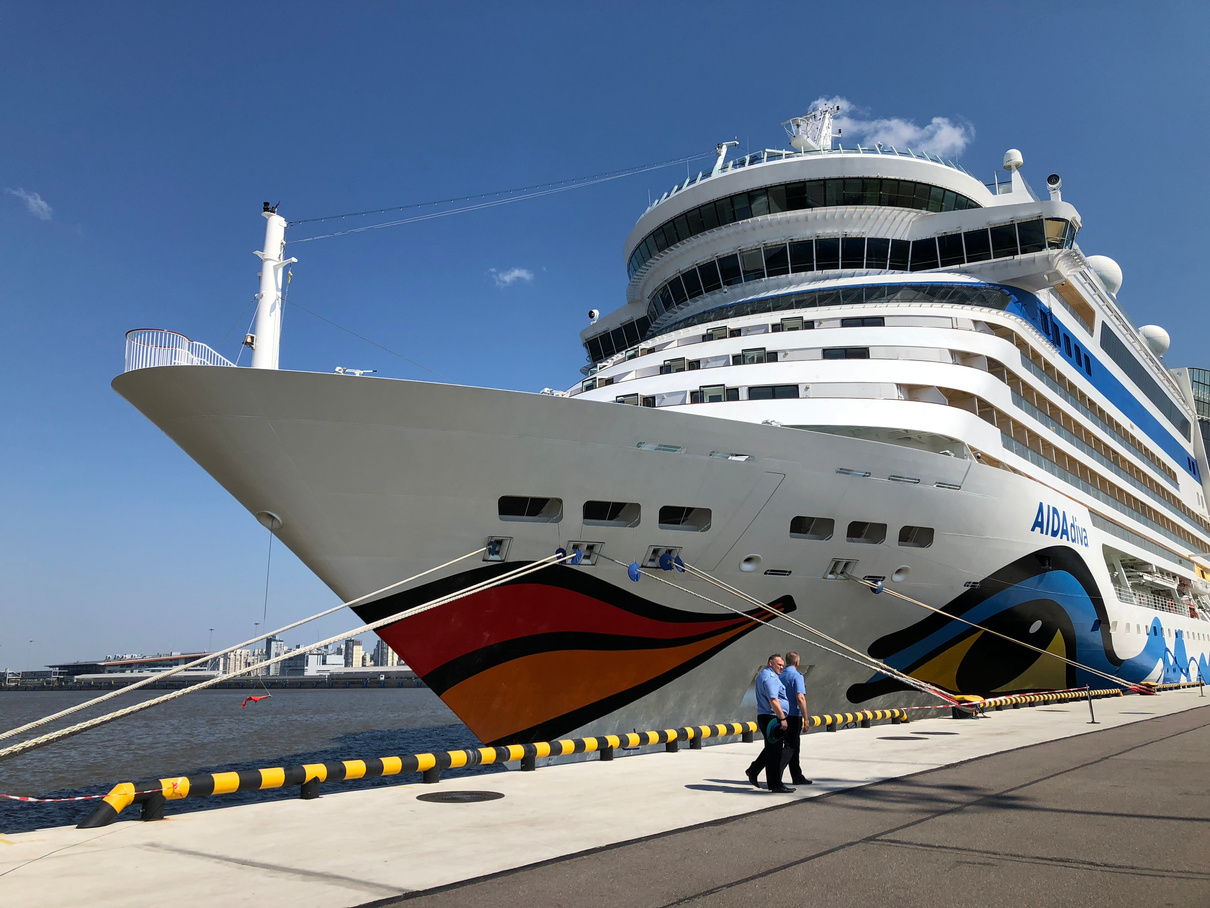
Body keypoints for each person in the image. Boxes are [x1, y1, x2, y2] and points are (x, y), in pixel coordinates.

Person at [745, 654, 794, 793]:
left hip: (769, 716)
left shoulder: (765, 675)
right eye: (779, 664)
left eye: (782, 665)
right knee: (775, 752)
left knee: (771, 749)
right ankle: (775, 784)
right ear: (770, 663)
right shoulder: (770, 678)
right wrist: (782, 718)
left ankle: (753, 770)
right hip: (772, 717)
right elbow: (773, 700)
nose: (781, 667)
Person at [779, 652, 812, 786]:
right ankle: (776, 774)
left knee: (794, 746)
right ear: (797, 662)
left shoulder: (780, 675)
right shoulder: (797, 676)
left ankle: (797, 775)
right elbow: (800, 698)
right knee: (790, 746)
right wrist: (806, 718)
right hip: (793, 715)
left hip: (782, 714)